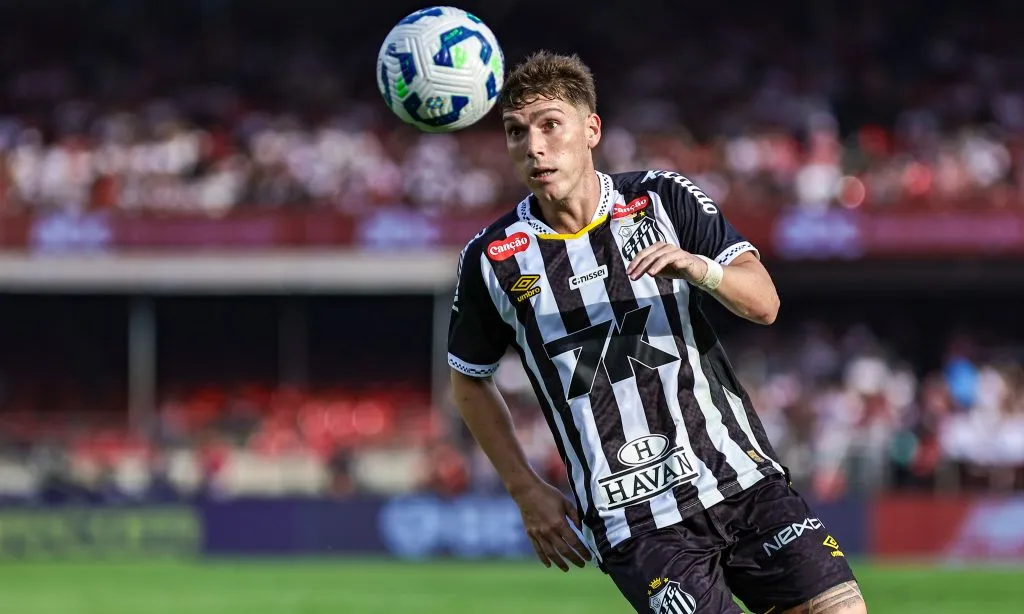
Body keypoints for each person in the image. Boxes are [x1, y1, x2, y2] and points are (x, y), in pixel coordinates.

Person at [447, 51, 867, 614]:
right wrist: (524, 488)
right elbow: (469, 380)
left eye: (550, 125)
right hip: (637, 525)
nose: (534, 146)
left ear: (591, 130)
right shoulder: (491, 258)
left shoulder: (661, 198)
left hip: (742, 479)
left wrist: (699, 268)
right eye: (516, 131)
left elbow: (765, 303)